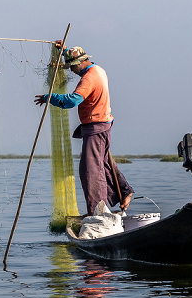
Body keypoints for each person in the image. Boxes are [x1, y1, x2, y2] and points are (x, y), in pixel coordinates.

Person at [35, 42, 133, 215]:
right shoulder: (98, 70)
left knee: (91, 171)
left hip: (97, 126)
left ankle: (98, 212)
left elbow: (72, 101)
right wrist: (64, 50)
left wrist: (50, 97)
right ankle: (124, 191)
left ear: (79, 63)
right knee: (101, 163)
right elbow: (74, 56)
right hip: (101, 124)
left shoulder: (89, 78)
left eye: (71, 67)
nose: (71, 71)